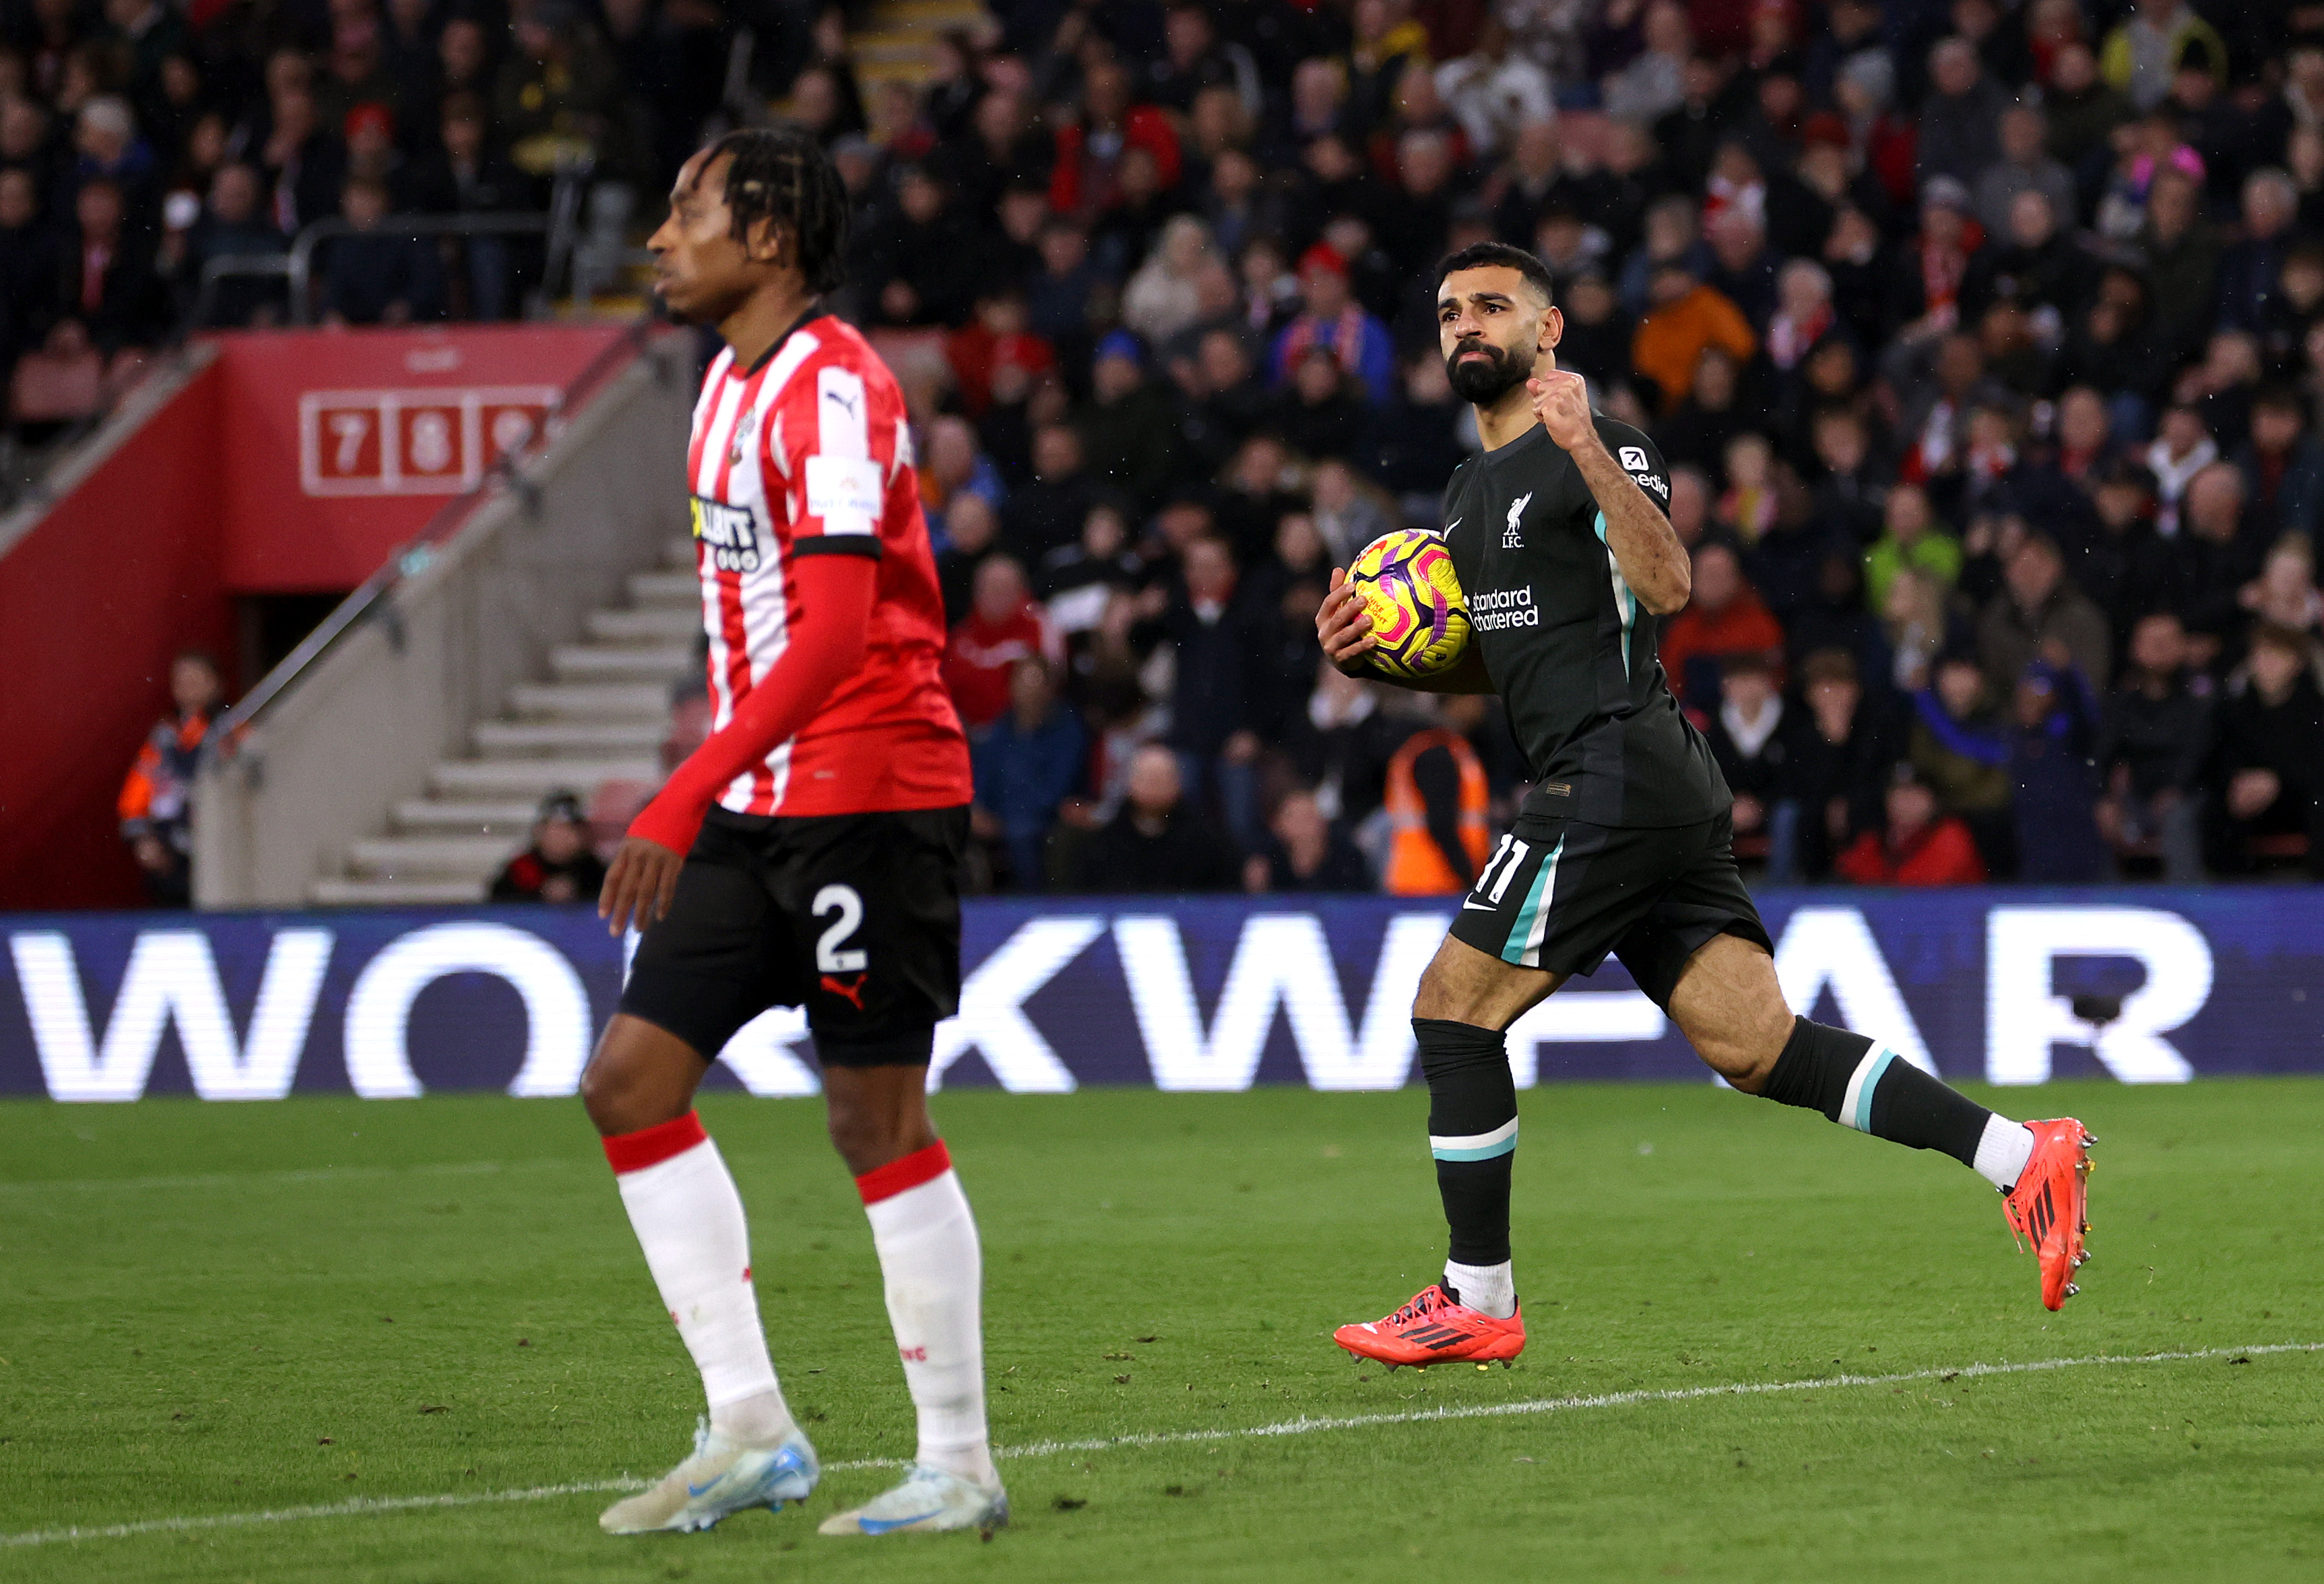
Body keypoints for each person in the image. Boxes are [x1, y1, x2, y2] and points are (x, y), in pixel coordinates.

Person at [1314, 242, 2092, 1374]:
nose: (1467, 325)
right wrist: (1381, 664)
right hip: (1636, 776)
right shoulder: (1466, 492)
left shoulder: (1607, 439)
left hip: (1614, 768)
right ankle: (2022, 1154)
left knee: (1453, 1009)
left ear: (1550, 329)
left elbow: (1670, 586)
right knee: (1756, 1044)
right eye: (1449, 312)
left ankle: (1476, 1295)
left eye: (1494, 306)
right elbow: (1518, 659)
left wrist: (1584, 445)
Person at [581, 128, 1004, 1542]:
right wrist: (715, 786)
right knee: (631, 1084)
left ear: (769, 236)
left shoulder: (835, 387)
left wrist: (679, 785)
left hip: (871, 798)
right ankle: (751, 1427)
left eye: (689, 211)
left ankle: (958, 1462)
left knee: (871, 1118)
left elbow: (832, 632)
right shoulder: (721, 384)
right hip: (763, 808)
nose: (661, 240)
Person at [117, 650, 222, 907]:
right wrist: (143, 839)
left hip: (218, 847)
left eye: (196, 680)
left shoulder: (232, 730)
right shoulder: (164, 737)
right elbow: (135, 797)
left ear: (215, 683)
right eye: (181, 681)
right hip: (170, 855)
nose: (188, 688)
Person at [1834, 769, 1991, 885]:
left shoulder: (1951, 835)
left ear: (1933, 802)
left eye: (1915, 793)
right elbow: (1847, 873)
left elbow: (1927, 881)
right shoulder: (1875, 841)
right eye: (1899, 793)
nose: (1907, 801)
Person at [490, 791, 609, 902]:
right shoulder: (520, 870)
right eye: (556, 829)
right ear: (540, 831)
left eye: (570, 829)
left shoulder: (595, 872)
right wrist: (540, 894)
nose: (562, 836)